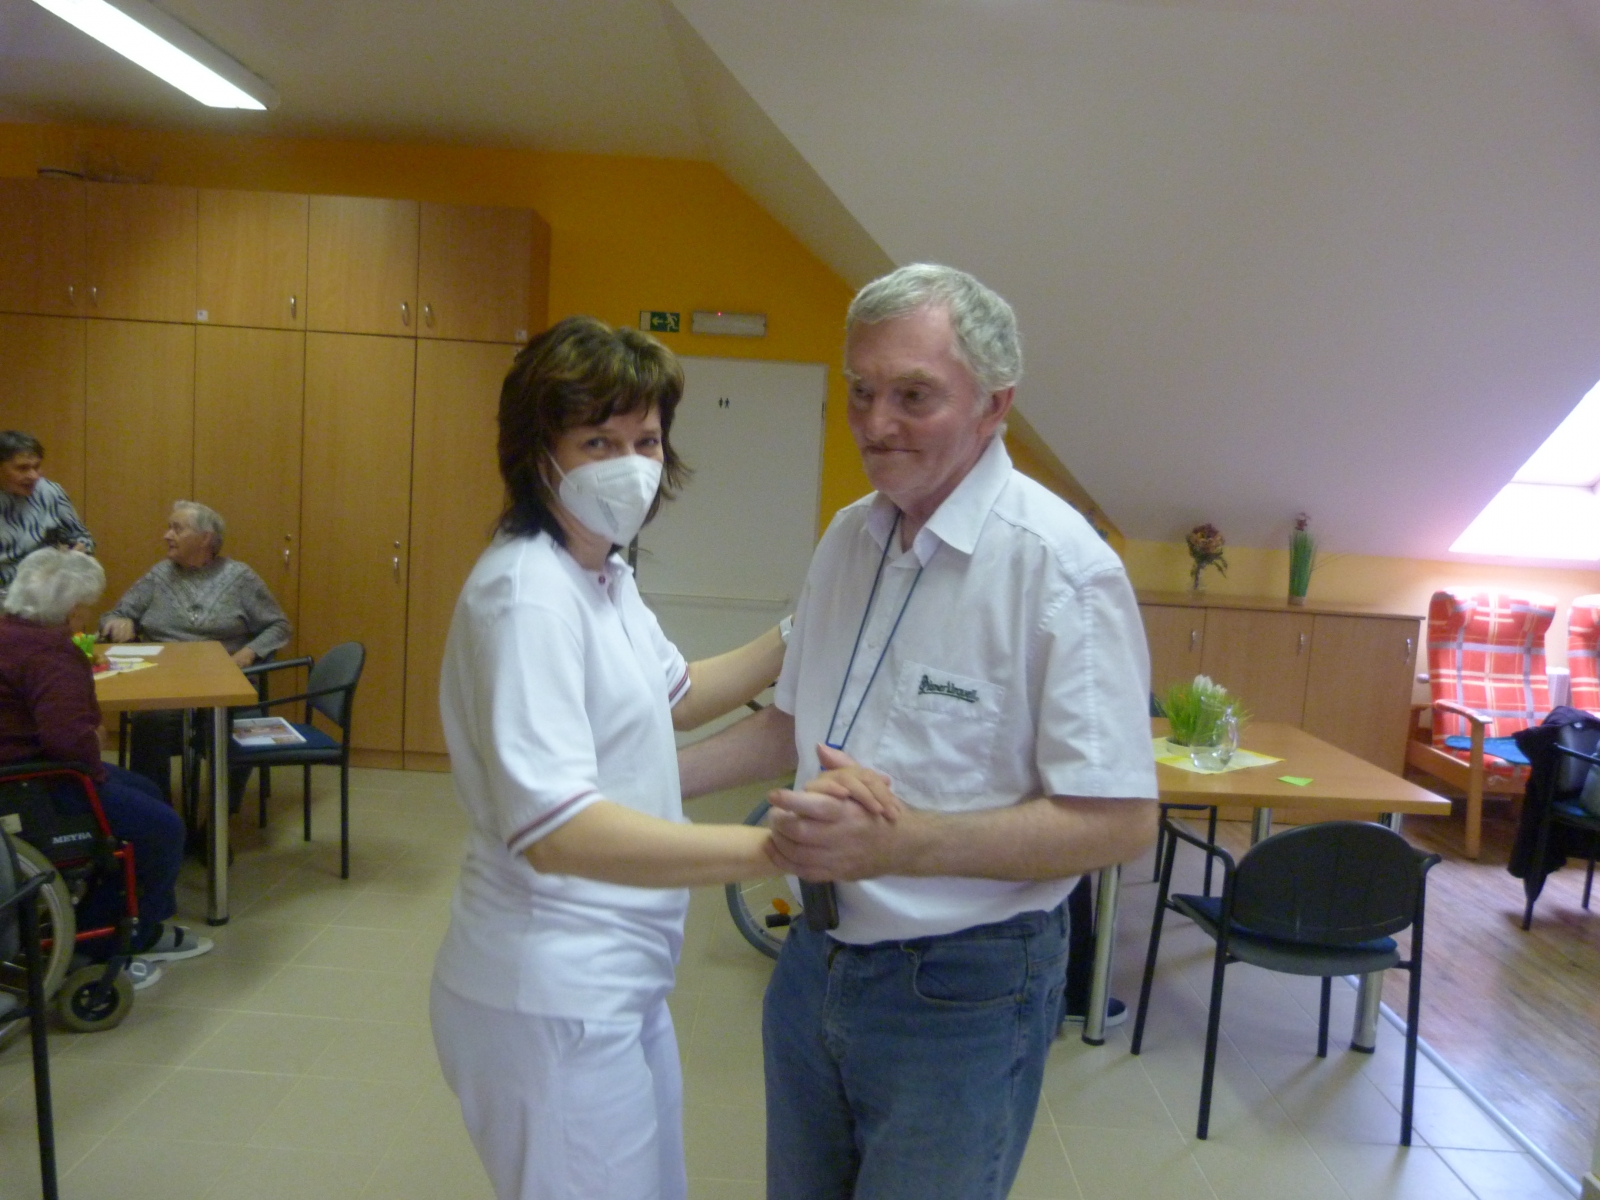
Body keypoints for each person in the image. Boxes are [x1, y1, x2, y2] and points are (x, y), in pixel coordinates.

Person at [678, 264, 1160, 1199]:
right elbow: (789, 727)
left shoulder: (1061, 570)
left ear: (994, 405)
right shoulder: (849, 539)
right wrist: (629, 790)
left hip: (963, 991)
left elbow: (1119, 821)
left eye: (913, 396)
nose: (875, 423)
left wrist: (905, 843)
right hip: (814, 959)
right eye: (861, 392)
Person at [428, 315, 895, 1200]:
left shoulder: (601, 576)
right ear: (538, 453)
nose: (631, 465)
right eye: (598, 442)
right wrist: (778, 850)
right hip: (549, 991)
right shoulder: (528, 597)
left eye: (645, 440)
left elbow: (676, 695)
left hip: (619, 977)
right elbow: (558, 832)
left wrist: (807, 624)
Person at [0, 548, 212, 990]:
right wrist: (95, 750)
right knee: (162, 828)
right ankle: (107, 941)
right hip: (37, 780)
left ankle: (136, 922)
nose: (86, 618)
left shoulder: (9, 631)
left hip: (24, 770)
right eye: (85, 608)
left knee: (146, 790)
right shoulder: (50, 652)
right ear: (70, 610)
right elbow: (68, 740)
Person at [100, 501, 290, 803]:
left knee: (235, 728)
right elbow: (115, 614)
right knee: (149, 722)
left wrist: (250, 652)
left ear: (205, 538)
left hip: (222, 685)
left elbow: (278, 626)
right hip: (164, 686)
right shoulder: (159, 575)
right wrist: (119, 621)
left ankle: (220, 816)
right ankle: (155, 808)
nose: (166, 535)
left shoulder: (240, 577)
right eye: (169, 528)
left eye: (177, 528)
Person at [0, 430, 94, 600]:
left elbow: (84, 539)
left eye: (37, 467)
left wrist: (78, 551)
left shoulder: (50, 492)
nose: (34, 476)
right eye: (22, 468)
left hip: (43, 597)